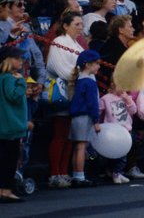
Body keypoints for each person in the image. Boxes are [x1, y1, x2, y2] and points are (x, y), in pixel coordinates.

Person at [45, 10, 85, 189]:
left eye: (81, 24)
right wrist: (83, 75)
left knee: (70, 136)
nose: (80, 28)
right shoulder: (59, 43)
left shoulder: (77, 44)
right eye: (76, 24)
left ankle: (63, 171)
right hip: (63, 94)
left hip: (76, 94)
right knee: (60, 134)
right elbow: (62, 70)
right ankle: (55, 173)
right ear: (65, 26)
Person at [67, 49, 102, 187]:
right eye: (96, 64)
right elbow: (92, 103)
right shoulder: (90, 82)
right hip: (85, 116)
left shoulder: (80, 80)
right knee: (82, 146)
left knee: (77, 146)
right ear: (88, 65)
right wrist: (96, 120)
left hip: (76, 116)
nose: (99, 66)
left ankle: (76, 174)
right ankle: (80, 176)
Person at [0, 46, 29, 203]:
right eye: (17, 58)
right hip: (11, 126)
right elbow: (13, 96)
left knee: (4, 159)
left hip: (4, 125)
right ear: (8, 60)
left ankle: (3, 189)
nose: (21, 61)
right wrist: (22, 83)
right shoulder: (10, 78)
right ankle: (6, 190)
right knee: (9, 160)